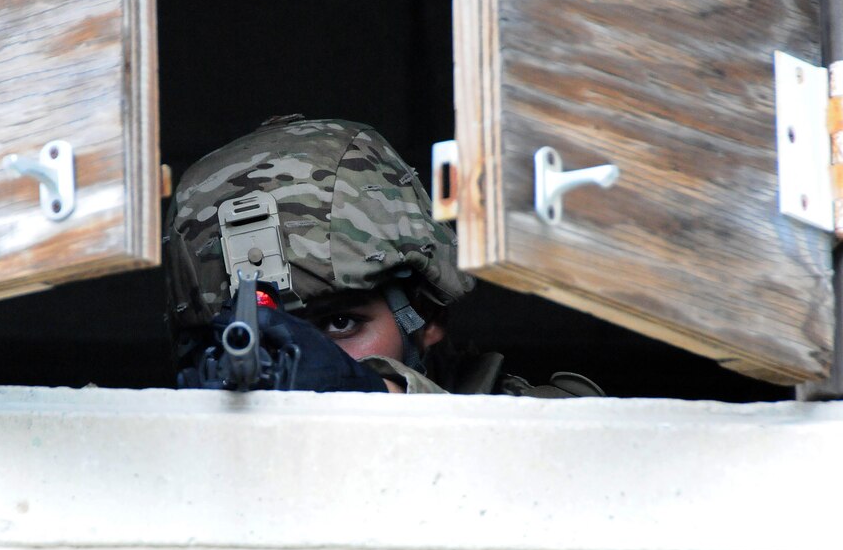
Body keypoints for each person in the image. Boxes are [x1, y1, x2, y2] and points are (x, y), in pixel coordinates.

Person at [163, 115, 602, 397]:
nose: (292, 364)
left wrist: (371, 394)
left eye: (339, 323)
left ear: (427, 316)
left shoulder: (550, 430)